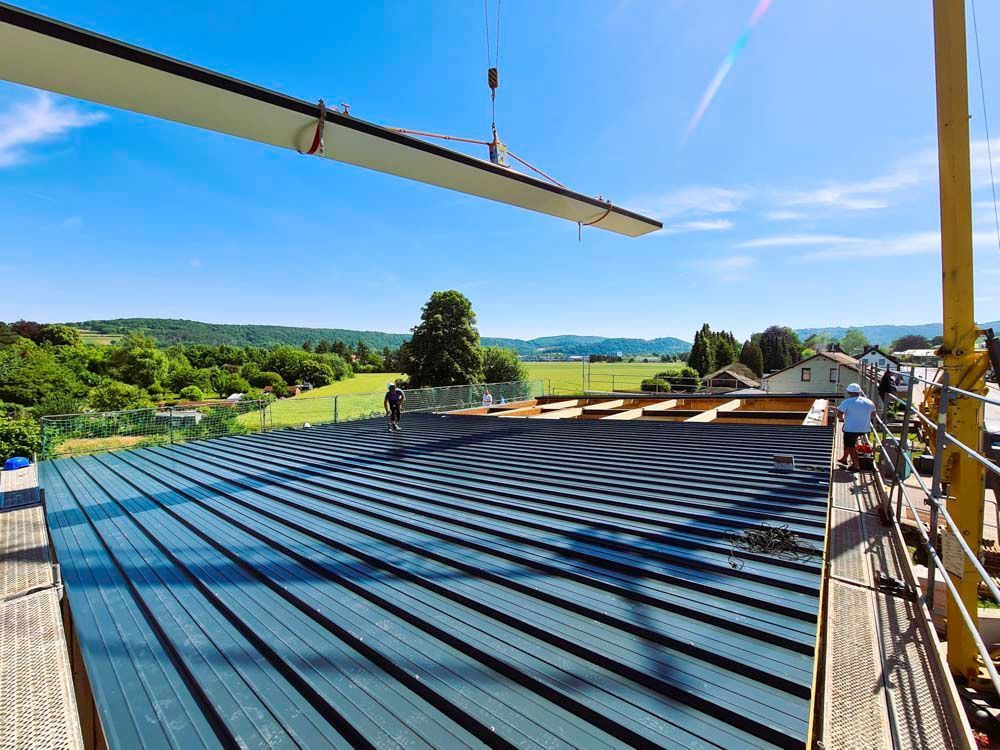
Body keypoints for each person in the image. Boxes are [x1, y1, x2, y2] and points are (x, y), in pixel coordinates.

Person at [837, 383, 875, 472]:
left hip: (851, 429)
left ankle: (856, 466)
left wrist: (842, 420)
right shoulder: (869, 402)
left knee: (850, 446)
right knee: (848, 442)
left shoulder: (847, 402)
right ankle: (844, 458)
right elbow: (873, 415)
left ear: (849, 392)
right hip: (865, 428)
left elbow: (839, 414)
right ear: (860, 392)